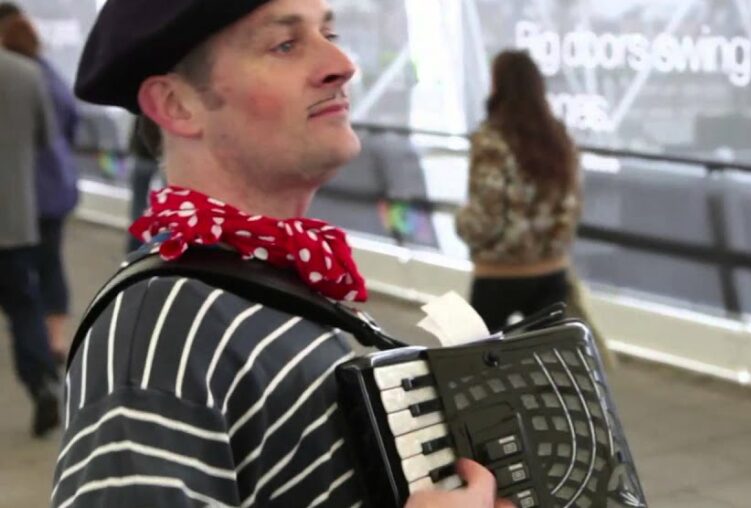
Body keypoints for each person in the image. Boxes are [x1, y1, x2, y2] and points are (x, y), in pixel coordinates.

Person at [54, 1, 510, 507]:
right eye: (286, 44)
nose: (342, 63)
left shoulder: (263, 287)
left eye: (328, 31)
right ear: (178, 105)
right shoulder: (160, 333)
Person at [456, 50, 583, 333]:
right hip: (551, 272)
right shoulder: (558, 137)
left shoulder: (492, 141)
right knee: (546, 363)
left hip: (499, 274)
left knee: (478, 362)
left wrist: (460, 223)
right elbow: (571, 204)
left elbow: (485, 216)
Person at [2, 10, 82, 363]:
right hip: (55, 190)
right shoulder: (45, 74)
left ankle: (38, 345)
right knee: (49, 265)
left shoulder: (20, 77)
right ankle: (53, 340)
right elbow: (63, 128)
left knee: (22, 277)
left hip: (27, 194)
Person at [0, 3, 61, 438]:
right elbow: (45, 138)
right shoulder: (27, 73)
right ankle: (42, 384)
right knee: (24, 308)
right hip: (15, 221)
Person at [125, 115, 162, 252]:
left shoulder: (142, 99)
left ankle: (135, 248)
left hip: (142, 154)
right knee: (167, 206)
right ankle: (160, 247)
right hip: (163, 155)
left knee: (138, 206)